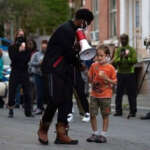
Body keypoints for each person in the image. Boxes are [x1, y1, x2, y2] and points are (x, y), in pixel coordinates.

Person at [37, 8, 94, 145]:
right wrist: (80, 65)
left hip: (67, 69)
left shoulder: (75, 31)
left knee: (67, 102)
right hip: (54, 68)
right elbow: (68, 53)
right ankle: (43, 129)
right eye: (87, 23)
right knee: (55, 99)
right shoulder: (66, 30)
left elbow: (72, 52)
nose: (87, 27)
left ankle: (61, 133)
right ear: (82, 21)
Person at [87, 45, 117, 143]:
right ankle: (95, 133)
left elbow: (115, 82)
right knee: (92, 114)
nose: (99, 58)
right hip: (94, 95)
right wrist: (89, 76)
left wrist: (106, 78)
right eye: (97, 55)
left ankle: (103, 135)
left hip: (106, 95)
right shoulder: (93, 66)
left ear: (107, 56)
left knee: (105, 115)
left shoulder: (110, 68)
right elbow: (90, 80)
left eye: (101, 56)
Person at [7, 29, 33, 118]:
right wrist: (19, 50)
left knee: (27, 92)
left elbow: (27, 59)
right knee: (12, 91)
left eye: (22, 35)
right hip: (15, 71)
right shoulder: (12, 47)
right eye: (19, 35)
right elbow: (13, 58)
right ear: (16, 36)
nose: (21, 37)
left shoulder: (27, 47)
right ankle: (10, 109)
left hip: (24, 71)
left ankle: (28, 111)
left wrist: (24, 49)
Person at [113, 33, 137, 117]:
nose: (123, 41)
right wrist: (120, 58)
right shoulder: (118, 50)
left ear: (128, 40)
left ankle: (133, 111)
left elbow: (135, 60)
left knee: (131, 93)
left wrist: (127, 57)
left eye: (125, 39)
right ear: (120, 40)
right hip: (120, 73)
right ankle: (118, 111)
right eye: (122, 39)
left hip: (130, 73)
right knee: (119, 93)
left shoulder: (131, 49)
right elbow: (114, 61)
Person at [29, 40, 48, 115]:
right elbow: (31, 63)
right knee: (39, 92)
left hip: (47, 75)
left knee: (47, 92)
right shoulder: (36, 54)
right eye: (43, 47)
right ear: (41, 47)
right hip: (38, 75)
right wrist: (39, 63)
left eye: (45, 48)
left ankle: (45, 107)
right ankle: (39, 107)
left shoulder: (50, 54)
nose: (44, 49)